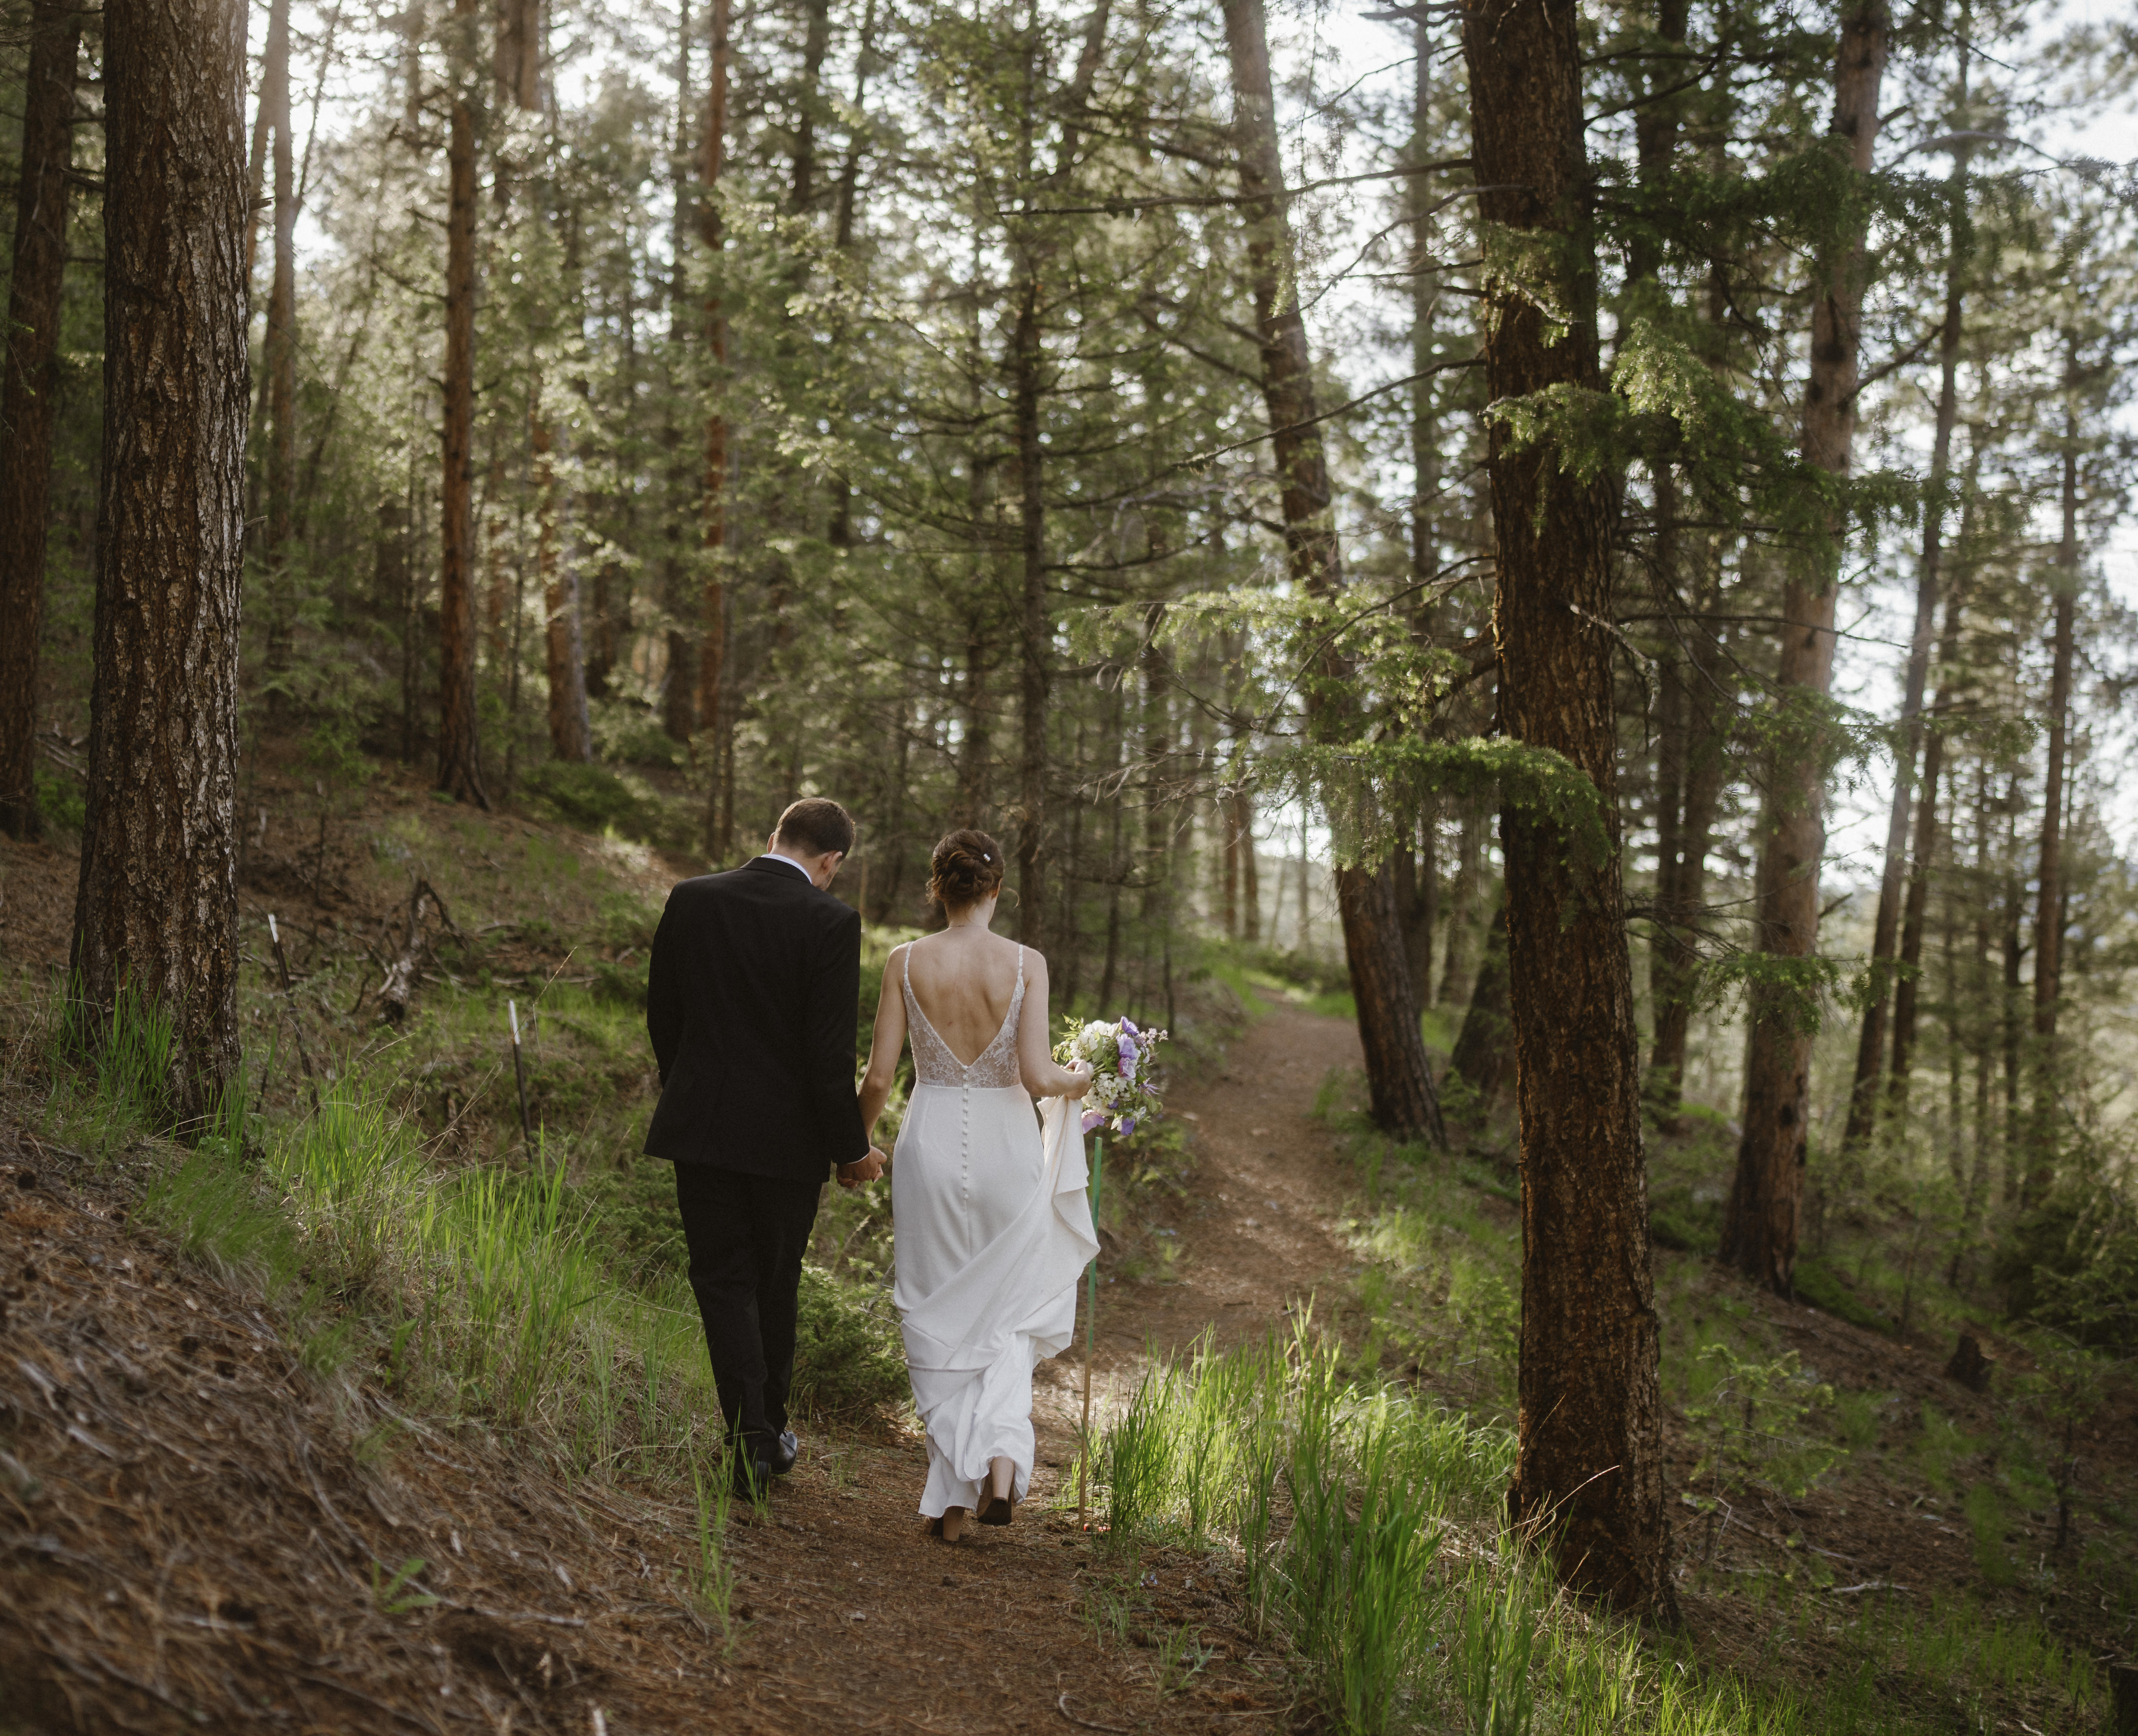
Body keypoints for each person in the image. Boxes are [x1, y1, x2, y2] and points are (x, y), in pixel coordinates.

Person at [857, 829, 1097, 1542]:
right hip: (1007, 1148)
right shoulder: (1025, 963)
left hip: (929, 1144)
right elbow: (1039, 1077)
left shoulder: (906, 961)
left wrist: (854, 1147)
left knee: (935, 1312)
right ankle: (991, 1468)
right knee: (1003, 1315)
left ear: (939, 888)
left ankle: (958, 1501)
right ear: (996, 890)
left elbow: (876, 1078)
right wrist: (1094, 1080)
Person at [645, 797, 887, 1499]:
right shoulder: (832, 922)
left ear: (776, 835)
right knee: (775, 1282)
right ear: (831, 861)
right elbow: (825, 1052)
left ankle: (753, 1437)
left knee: (721, 1281)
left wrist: (687, 1088)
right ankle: (764, 1435)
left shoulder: (693, 898)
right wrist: (852, 1149)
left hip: (702, 1129)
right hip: (787, 1145)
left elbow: (665, 1013)